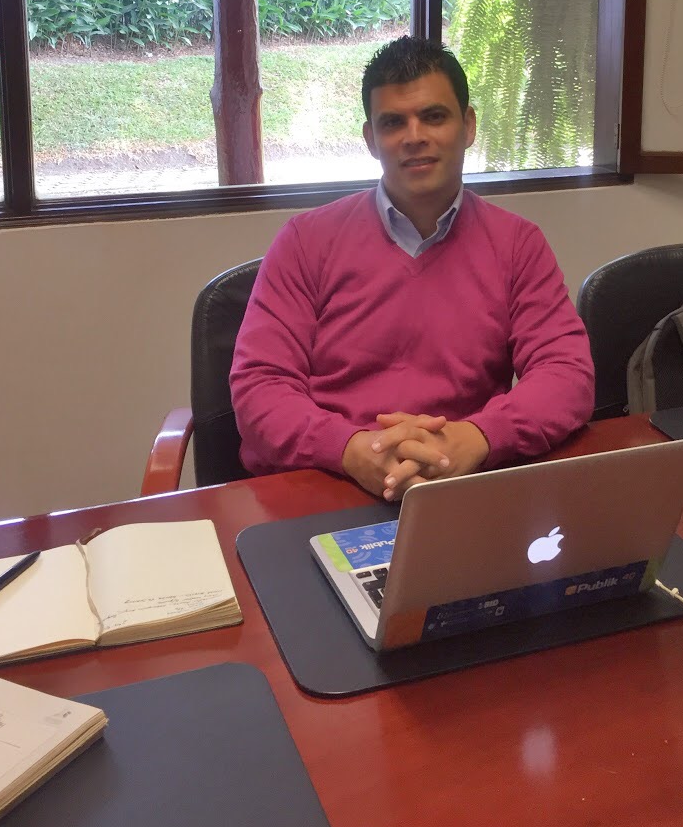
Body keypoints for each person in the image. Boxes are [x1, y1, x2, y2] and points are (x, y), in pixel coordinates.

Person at [230, 35, 595, 501]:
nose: (414, 136)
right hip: (327, 482)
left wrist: (476, 438)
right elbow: (259, 386)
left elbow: (566, 373)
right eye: (393, 122)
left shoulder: (517, 245)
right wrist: (351, 450)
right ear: (371, 139)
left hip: (462, 485)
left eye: (434, 116)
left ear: (468, 126)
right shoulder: (306, 241)